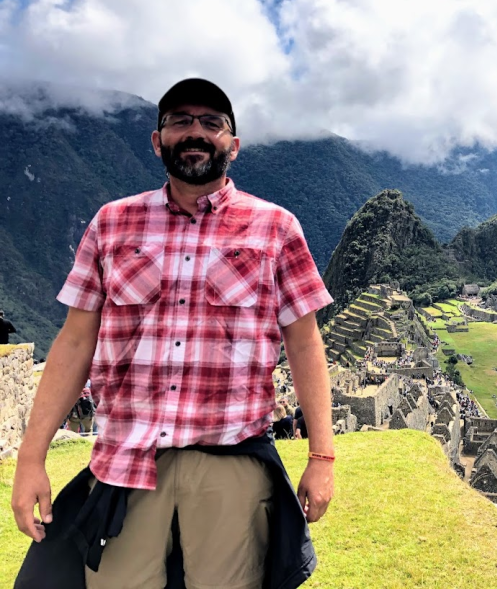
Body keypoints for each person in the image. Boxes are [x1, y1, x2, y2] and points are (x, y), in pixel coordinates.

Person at [11, 79, 335, 589]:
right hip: (126, 461)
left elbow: (304, 343)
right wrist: (32, 458)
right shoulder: (112, 225)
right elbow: (75, 342)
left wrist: (321, 457)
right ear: (157, 140)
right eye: (180, 121)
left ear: (234, 144)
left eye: (212, 123)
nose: (195, 133)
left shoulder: (276, 228)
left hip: (230, 465)